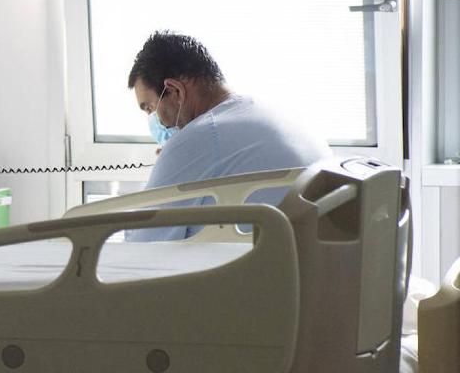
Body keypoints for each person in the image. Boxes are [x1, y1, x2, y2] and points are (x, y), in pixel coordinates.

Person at [126, 30, 330, 242]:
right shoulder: (283, 115)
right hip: (313, 262)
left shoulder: (197, 140)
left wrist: (172, 158)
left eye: (150, 108)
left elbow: (140, 245)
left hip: (261, 267)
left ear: (175, 91)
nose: (154, 121)